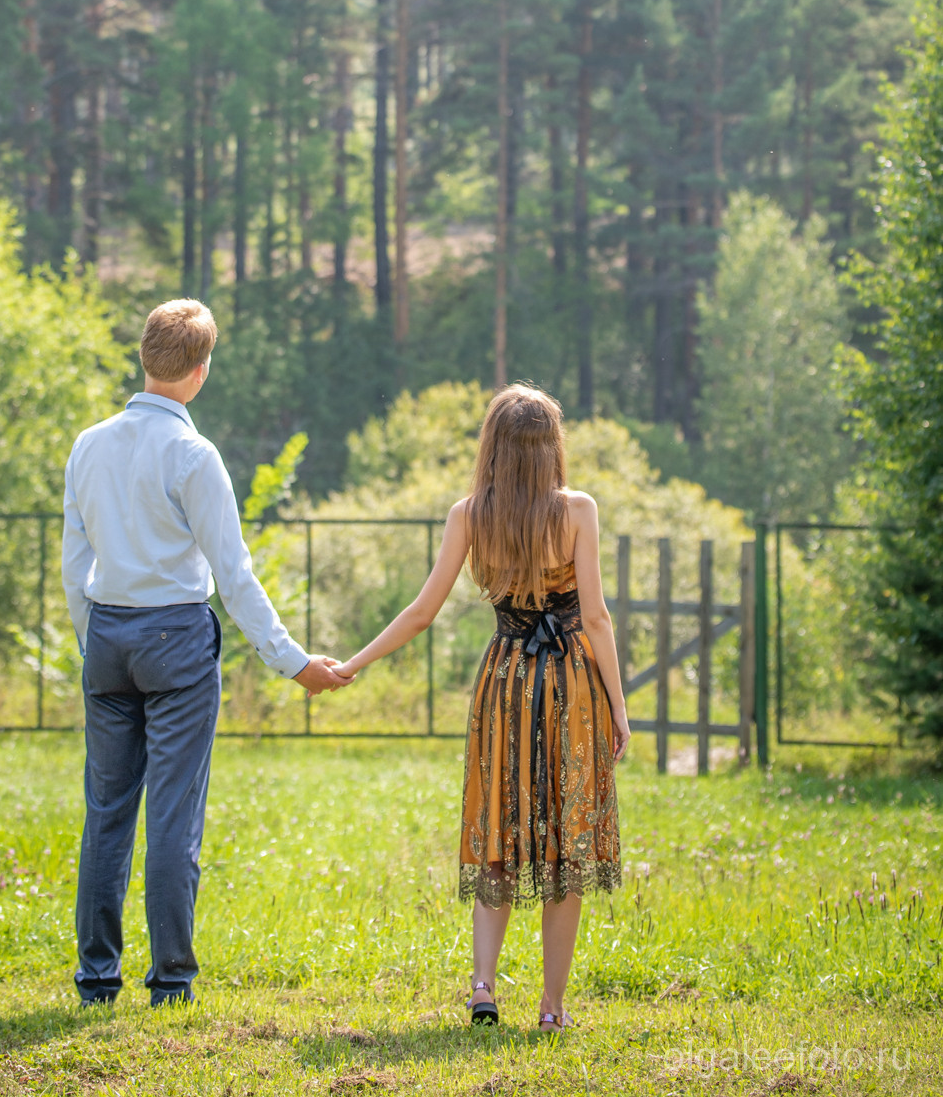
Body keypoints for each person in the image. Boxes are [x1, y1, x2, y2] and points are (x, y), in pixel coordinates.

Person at [62, 298, 352, 1008]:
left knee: (106, 812)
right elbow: (234, 573)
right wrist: (291, 661)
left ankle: (97, 978)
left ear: (144, 357)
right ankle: (171, 982)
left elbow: (76, 564)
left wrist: (91, 642)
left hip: (106, 633)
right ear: (201, 370)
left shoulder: (87, 444)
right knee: (172, 815)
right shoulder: (193, 455)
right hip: (176, 641)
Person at [337, 384, 626, 1030]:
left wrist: (353, 663)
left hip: (505, 680)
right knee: (567, 842)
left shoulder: (470, 513)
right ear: (552, 446)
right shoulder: (578, 510)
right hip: (572, 684)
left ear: (493, 445)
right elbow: (599, 618)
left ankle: (483, 986)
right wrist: (620, 706)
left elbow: (421, 612)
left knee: (498, 828)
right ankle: (552, 1008)